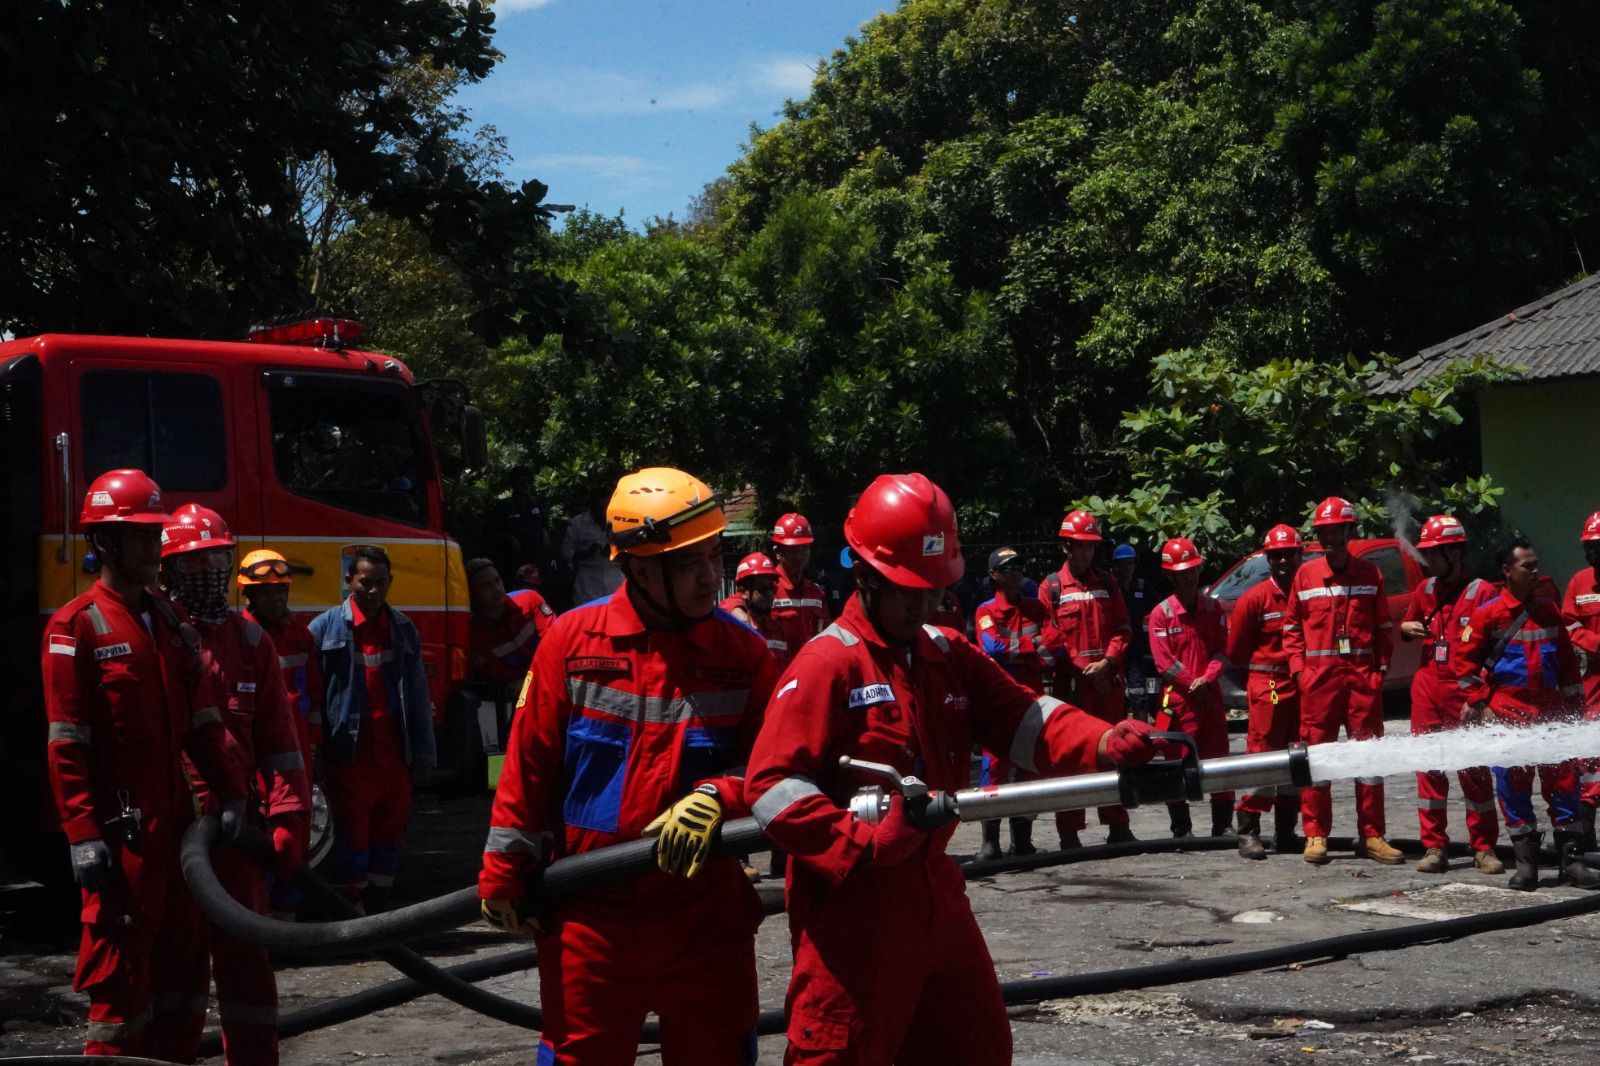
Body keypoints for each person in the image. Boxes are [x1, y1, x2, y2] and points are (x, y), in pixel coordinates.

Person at [744, 473, 1173, 1065]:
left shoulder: (944, 654)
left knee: (973, 1047)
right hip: (853, 912)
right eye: (909, 592)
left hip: (933, 895)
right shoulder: (828, 665)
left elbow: (1027, 719)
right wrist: (860, 844)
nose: (925, 605)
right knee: (841, 1053)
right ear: (866, 577)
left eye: (934, 591)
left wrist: (1107, 740)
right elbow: (770, 787)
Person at [479, 467, 778, 1064]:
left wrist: (722, 795)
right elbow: (528, 765)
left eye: (714, 556)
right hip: (591, 910)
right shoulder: (572, 641)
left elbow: (777, 765)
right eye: (690, 562)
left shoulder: (743, 655)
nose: (709, 576)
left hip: (704, 911)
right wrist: (503, 873)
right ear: (639, 567)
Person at [42, 470, 249, 1059]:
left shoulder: (167, 621)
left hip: (178, 834)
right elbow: (67, 743)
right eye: (137, 537)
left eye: (155, 535)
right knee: (121, 985)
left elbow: (203, 721)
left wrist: (231, 793)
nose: (153, 548)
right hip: (122, 841)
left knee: (184, 981)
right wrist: (82, 835)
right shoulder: (76, 626)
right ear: (103, 542)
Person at [161, 505, 312, 1065]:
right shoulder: (156, 635)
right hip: (170, 834)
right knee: (176, 970)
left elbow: (279, 739)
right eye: (195, 562)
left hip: (238, 833)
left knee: (248, 970)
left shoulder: (250, 641)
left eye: (218, 559)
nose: (208, 572)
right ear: (169, 569)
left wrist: (289, 818)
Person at [1457, 538, 1597, 891]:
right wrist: (1480, 703)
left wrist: (1575, 714)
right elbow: (1464, 665)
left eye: (1535, 565)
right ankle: (1526, 866)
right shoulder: (1488, 615)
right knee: (1514, 789)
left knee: (1565, 787)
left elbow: (1567, 667)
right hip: (1508, 714)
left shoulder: (1549, 610)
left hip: (1550, 714)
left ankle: (1573, 862)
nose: (1535, 571)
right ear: (1507, 571)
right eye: (1527, 566)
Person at [310, 546, 437, 912]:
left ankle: (380, 910)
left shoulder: (402, 629)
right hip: (349, 756)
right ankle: (353, 915)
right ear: (349, 581)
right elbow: (314, 696)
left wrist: (425, 754)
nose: (374, 591)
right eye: (366, 582)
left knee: (388, 836)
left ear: (390, 583)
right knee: (353, 839)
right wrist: (314, 752)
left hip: (393, 755)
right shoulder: (324, 629)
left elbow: (417, 695)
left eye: (381, 583)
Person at [1283, 497, 1402, 866]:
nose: (1330, 538)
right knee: (1316, 761)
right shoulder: (1305, 576)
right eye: (1324, 532)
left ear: (1350, 532)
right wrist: (1300, 673)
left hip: (1361, 682)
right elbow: (1291, 629)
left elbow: (1384, 628)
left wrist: (1380, 669)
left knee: (1368, 760)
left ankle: (1372, 835)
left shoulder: (1370, 574)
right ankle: (1316, 834)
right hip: (1318, 685)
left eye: (1337, 531)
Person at [1400, 514, 1503, 875]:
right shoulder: (1425, 590)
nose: (1429, 561)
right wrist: (1405, 627)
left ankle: (1485, 847)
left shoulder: (1483, 593)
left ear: (1455, 553)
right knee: (1429, 772)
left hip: (1465, 693)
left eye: (1435, 554)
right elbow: (1409, 626)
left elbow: (1496, 649)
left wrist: (1478, 697)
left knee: (1473, 771)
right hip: (1427, 688)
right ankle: (1434, 847)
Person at [1040, 509, 1135, 848]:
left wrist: (1108, 662)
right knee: (1069, 757)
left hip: (1107, 685)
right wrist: (1083, 668)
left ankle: (1118, 826)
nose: (1087, 553)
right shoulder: (1051, 588)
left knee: (1115, 752)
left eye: (1091, 547)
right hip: (1074, 688)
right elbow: (1050, 637)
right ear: (1066, 547)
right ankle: (1069, 832)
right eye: (1081, 546)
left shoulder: (1108, 584)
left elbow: (1123, 628)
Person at [972, 546, 1065, 859]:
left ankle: (1022, 840)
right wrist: (1032, 646)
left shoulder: (1036, 608)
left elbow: (1055, 646)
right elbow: (991, 647)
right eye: (1008, 568)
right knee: (994, 769)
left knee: (1029, 767)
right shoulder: (986, 611)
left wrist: (1021, 649)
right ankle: (990, 842)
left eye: (1019, 568)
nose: (1015, 574)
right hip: (997, 699)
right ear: (994, 575)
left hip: (1031, 698)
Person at [1228, 525, 1306, 858]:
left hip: (1302, 683)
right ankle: (1248, 832)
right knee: (1263, 752)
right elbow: (1235, 651)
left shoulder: (1308, 593)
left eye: (1290, 554)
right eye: (1277, 556)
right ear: (1268, 560)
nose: (1284, 561)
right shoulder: (1255, 599)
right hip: (1269, 684)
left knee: (1298, 754)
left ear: (1301, 556)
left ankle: (1286, 831)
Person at [1148, 537, 1234, 839]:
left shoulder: (1213, 608)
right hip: (1179, 700)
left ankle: (1222, 824)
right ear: (1171, 575)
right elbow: (1163, 663)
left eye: (1193, 570)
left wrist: (1207, 679)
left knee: (1219, 758)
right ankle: (1181, 828)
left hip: (1209, 696)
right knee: (1175, 760)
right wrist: (1191, 683)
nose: (1189, 577)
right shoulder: (1161, 614)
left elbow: (1223, 651)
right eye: (1182, 572)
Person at [1561, 510, 1600, 849]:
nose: (1592, 553)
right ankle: (1586, 820)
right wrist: (1592, 643)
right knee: (1588, 748)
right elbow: (1569, 623)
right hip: (1594, 679)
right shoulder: (1579, 582)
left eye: (1596, 546)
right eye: (1589, 547)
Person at [467, 557, 558, 694]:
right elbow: (498, 675)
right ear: (472, 594)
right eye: (486, 586)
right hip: (524, 695)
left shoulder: (530, 600)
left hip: (554, 676)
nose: (496, 589)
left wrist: (528, 680)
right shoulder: (475, 635)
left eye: (497, 581)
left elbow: (556, 644)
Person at [486, 467, 562, 608]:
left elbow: (544, 527)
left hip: (538, 556)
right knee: (520, 595)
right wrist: (509, 539)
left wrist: (546, 537)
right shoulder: (504, 506)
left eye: (528, 483)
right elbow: (492, 532)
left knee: (548, 590)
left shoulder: (536, 504)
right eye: (521, 483)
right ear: (514, 484)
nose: (525, 486)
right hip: (516, 560)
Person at [768, 512, 828, 668]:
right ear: (778, 552)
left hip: (809, 674)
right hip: (776, 678)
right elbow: (735, 603)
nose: (800, 556)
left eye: (804, 549)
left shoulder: (816, 593)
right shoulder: (767, 589)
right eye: (794, 550)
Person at [1113, 543, 1158, 722]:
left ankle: (1142, 737)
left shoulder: (1141, 586)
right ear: (1116, 565)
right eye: (1123, 564)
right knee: (1117, 696)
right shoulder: (1111, 587)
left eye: (1130, 563)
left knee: (1139, 694)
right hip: (1115, 649)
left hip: (1136, 648)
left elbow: (1159, 609)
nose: (1126, 568)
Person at [561, 485, 624, 606]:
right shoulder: (577, 524)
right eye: (598, 508)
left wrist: (614, 551)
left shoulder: (620, 522)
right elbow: (566, 552)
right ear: (591, 505)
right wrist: (586, 553)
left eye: (605, 508)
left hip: (616, 579)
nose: (602, 512)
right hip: (587, 583)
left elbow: (633, 551)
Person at [721, 551, 786, 660]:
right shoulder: (732, 629)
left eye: (772, 588)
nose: (769, 594)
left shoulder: (778, 629)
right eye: (762, 588)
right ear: (743, 592)